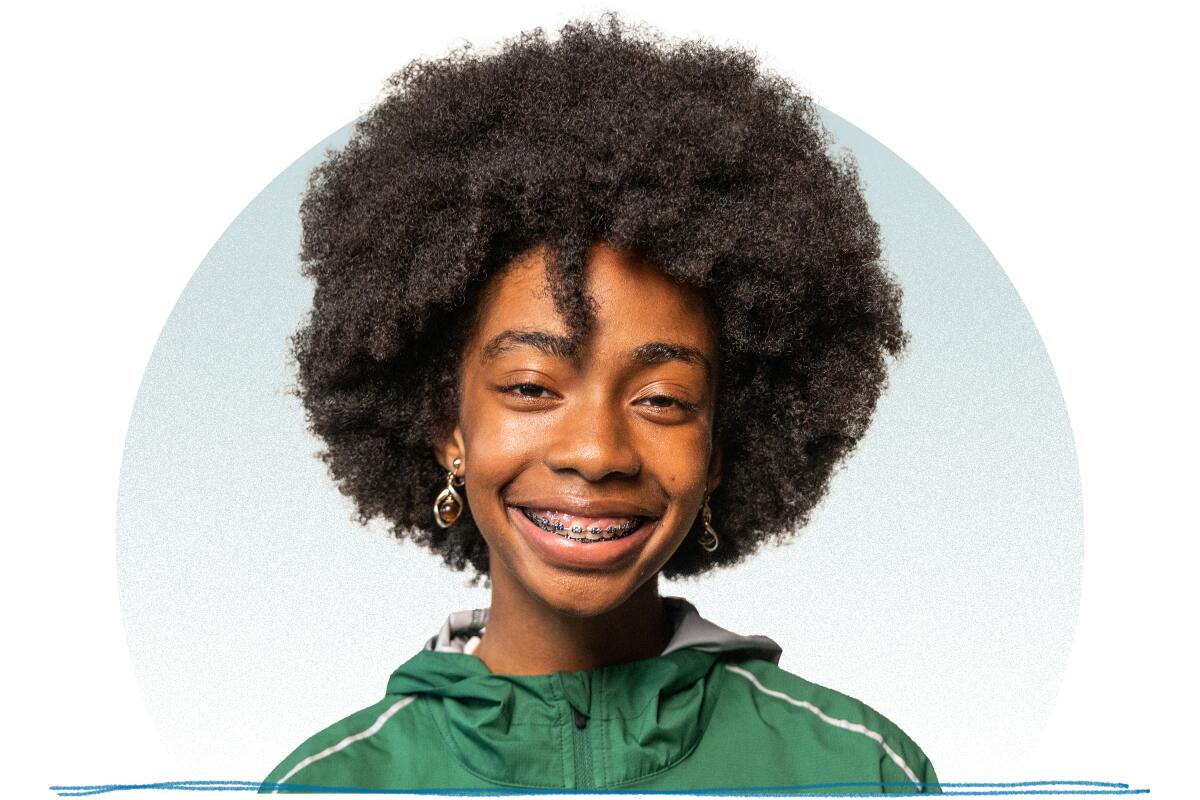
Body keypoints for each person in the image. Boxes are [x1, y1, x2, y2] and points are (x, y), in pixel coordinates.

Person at [261, 12, 939, 794]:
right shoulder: (330, 786)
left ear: (719, 451)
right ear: (448, 428)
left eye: (663, 399)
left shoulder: (858, 770)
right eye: (529, 387)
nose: (596, 451)